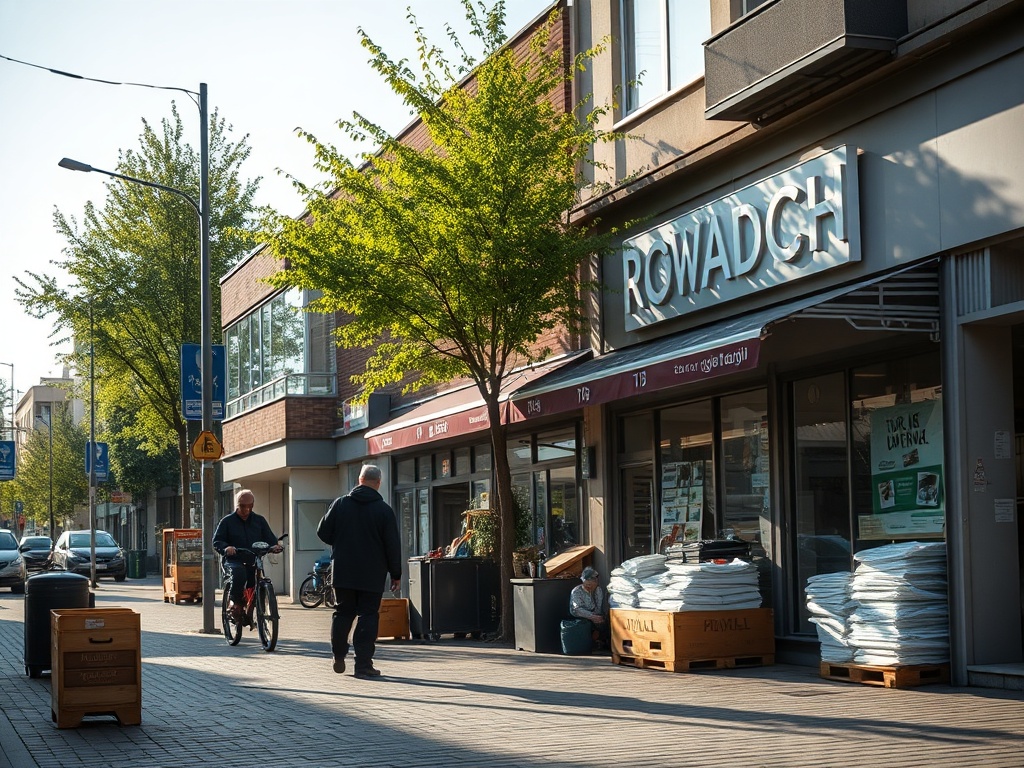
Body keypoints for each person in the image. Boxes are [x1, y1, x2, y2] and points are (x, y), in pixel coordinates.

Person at [318, 464, 402, 679]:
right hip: (372, 573)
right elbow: (392, 544)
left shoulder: (341, 504)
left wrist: (340, 542)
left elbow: (323, 532)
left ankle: (338, 655)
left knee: (343, 612)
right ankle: (363, 665)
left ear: (359, 479)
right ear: (378, 483)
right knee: (368, 615)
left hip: (343, 570)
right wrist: (396, 573)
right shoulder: (384, 510)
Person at [213, 489, 283, 625]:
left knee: (257, 577)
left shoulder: (259, 521)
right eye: (244, 506)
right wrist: (226, 548)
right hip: (234, 560)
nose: (247, 509)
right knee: (239, 573)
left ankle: (259, 605)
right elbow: (217, 541)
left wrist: (274, 546)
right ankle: (236, 603)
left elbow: (270, 538)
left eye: (250, 506)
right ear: (238, 505)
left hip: (253, 559)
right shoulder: (227, 521)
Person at [570, 566, 610, 650]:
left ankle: (600, 641)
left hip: (594, 615)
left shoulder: (598, 590)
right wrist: (592, 616)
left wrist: (598, 616)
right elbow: (577, 609)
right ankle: (596, 642)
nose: (589, 585)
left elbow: (599, 606)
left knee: (605, 621)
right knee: (597, 624)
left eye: (592, 583)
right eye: (587, 582)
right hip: (581, 615)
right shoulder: (577, 591)